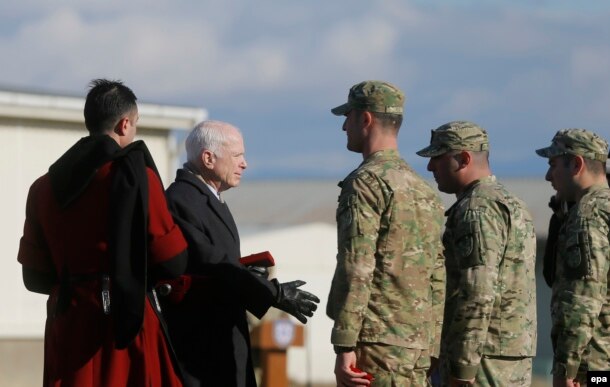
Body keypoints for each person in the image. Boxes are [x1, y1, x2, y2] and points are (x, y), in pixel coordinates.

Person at [17, 79, 188, 386]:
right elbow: (174, 261)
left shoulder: (41, 188)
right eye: (135, 124)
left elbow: (34, 277)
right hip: (123, 326)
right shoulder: (139, 178)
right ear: (125, 124)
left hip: (67, 324)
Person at [161, 120, 320, 387]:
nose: (244, 164)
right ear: (208, 158)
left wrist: (247, 274)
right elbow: (212, 263)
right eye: (237, 156)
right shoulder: (181, 199)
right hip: (201, 349)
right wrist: (273, 293)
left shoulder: (206, 197)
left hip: (219, 339)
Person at [326, 80, 446, 386]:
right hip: (416, 346)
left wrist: (345, 344)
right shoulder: (424, 190)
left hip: (377, 343)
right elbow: (437, 273)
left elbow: (358, 267)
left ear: (365, 119)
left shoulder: (365, 183)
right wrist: (432, 343)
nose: (344, 128)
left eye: (348, 117)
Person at [416, 121, 537, 386]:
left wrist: (463, 368)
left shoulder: (477, 208)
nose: (430, 167)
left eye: (438, 158)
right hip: (507, 353)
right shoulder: (511, 202)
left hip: (483, 359)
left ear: (464, 158)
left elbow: (478, 291)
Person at [535, 129, 610, 387]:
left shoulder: (587, 216)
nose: (548, 176)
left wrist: (566, 369)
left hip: (595, 364)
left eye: (553, 165)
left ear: (576, 164)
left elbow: (582, 298)